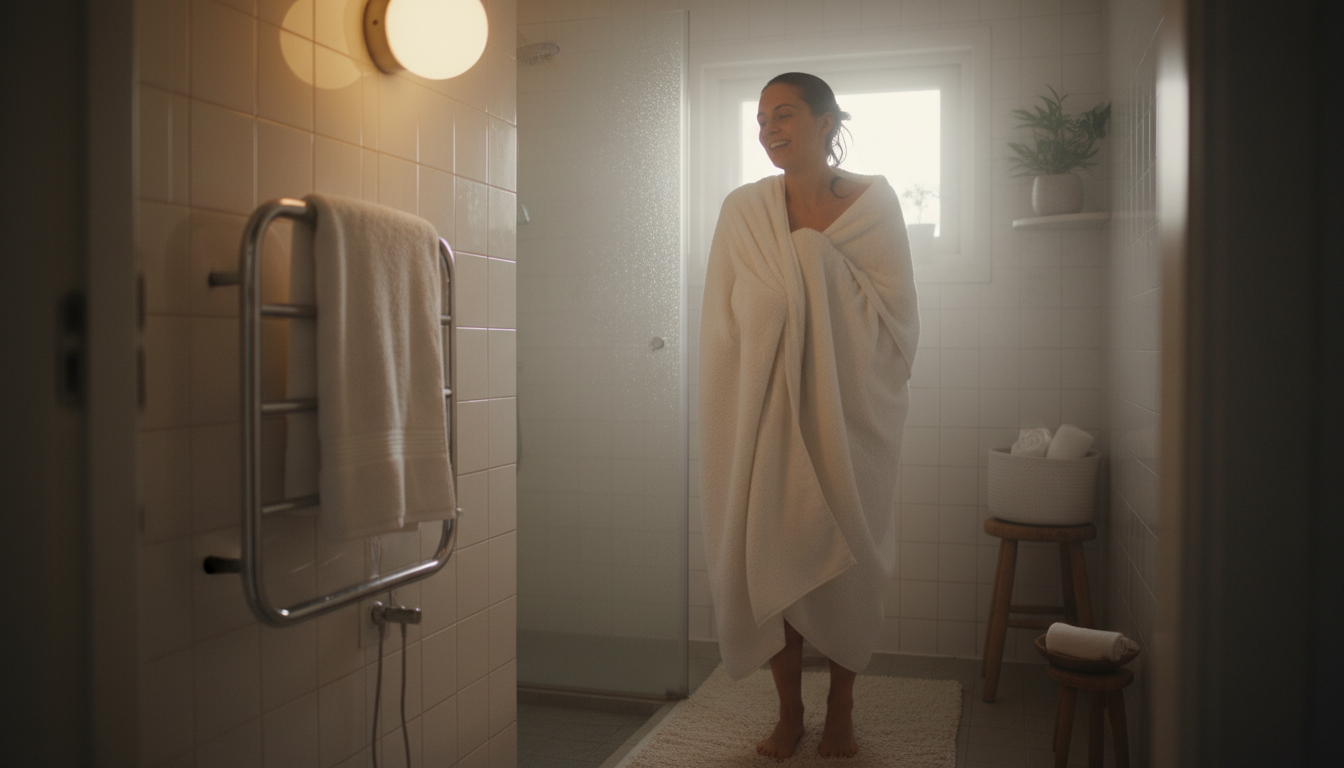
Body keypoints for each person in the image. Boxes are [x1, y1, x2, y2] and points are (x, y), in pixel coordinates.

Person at [698, 72, 920, 760]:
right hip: (767, 415)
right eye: (761, 118)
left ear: (827, 122)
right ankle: (789, 713)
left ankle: (843, 710)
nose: (768, 128)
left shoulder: (875, 205)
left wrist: (811, 263)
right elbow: (723, 322)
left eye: (784, 114)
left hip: (850, 422)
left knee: (849, 562)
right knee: (775, 558)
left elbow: (897, 323)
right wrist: (786, 297)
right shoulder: (742, 210)